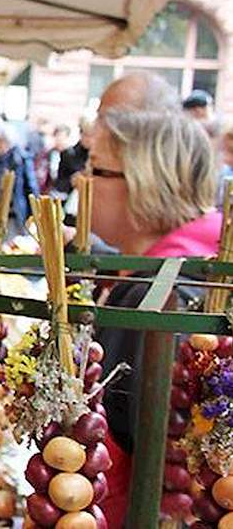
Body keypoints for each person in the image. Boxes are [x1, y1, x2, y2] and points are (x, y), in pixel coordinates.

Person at [89, 73, 218, 529]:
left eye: (95, 168)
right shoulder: (198, 261)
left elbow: (139, 439)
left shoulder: (157, 298)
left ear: (142, 184)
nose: (80, 182)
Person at [51, 118, 92, 196]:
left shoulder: (99, 157)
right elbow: (60, 182)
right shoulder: (68, 154)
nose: (89, 139)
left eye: (92, 135)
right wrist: (73, 181)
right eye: (86, 134)